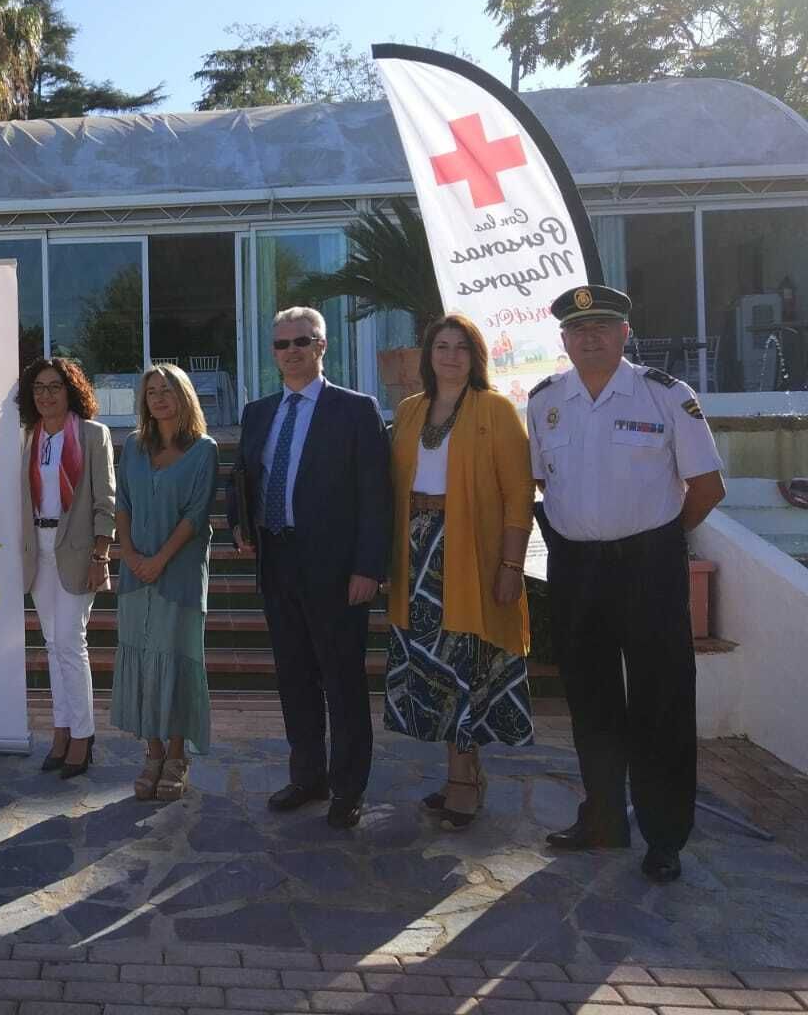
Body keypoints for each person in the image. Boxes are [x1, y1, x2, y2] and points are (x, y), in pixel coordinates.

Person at [530, 284, 725, 883]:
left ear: (624, 335)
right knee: (590, 700)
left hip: (649, 567)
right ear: (563, 340)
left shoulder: (667, 394)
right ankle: (604, 818)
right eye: (578, 330)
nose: (590, 337)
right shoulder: (544, 401)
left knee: (661, 701)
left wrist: (658, 543)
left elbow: (707, 487)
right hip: (576, 568)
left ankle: (664, 836)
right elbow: (542, 486)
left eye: (603, 327)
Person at [229, 306, 391, 829]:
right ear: (273, 353)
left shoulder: (356, 410)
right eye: (282, 344)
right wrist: (240, 523)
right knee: (294, 676)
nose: (292, 350)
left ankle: (349, 787)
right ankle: (308, 776)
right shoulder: (258, 412)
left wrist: (369, 566)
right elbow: (241, 478)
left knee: (342, 680)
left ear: (322, 347)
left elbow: (377, 495)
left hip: (337, 568)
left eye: (303, 341)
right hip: (278, 561)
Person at [383, 314, 536, 831]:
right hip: (416, 554)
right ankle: (457, 775)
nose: (450, 356)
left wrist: (512, 564)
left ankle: (465, 781)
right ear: (428, 355)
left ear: (476, 358)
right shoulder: (409, 412)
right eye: (441, 346)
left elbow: (520, 495)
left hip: (470, 555)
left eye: (461, 348)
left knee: (466, 664)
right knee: (435, 671)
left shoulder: (496, 411)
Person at [111, 363, 217, 802]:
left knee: (175, 657)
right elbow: (124, 504)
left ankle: (176, 754)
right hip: (135, 573)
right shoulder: (133, 446)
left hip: (180, 572)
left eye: (167, 389)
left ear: (184, 396)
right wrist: (132, 555)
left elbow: (196, 514)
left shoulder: (204, 449)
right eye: (151, 391)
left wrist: (160, 560)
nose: (158, 397)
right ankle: (151, 751)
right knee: (140, 656)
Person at [18, 357, 116, 780]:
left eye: (54, 386)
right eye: (38, 387)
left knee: (70, 642)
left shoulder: (94, 435)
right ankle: (62, 730)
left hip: (77, 549)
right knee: (52, 645)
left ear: (70, 389)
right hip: (36, 547)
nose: (46, 395)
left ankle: (83, 736)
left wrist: (101, 555)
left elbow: (106, 501)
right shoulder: (27, 437)